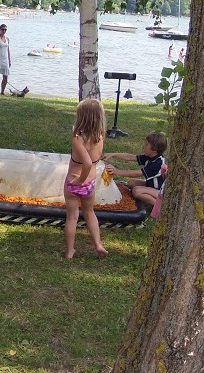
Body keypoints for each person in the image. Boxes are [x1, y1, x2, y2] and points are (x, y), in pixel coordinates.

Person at [63, 97, 108, 259]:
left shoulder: (78, 139)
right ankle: (98, 244)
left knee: (72, 216)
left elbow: (87, 163)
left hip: (75, 182)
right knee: (90, 213)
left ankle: (70, 251)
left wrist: (79, 180)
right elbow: (94, 160)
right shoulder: (100, 137)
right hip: (90, 183)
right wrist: (85, 180)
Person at [104, 132, 168, 211]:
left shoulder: (157, 163)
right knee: (131, 183)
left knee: (136, 191)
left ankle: (161, 207)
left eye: (146, 145)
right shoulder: (150, 156)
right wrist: (113, 154)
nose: (144, 146)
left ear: (154, 150)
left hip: (161, 191)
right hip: (152, 185)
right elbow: (130, 157)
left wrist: (116, 171)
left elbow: (136, 173)